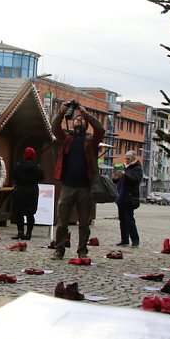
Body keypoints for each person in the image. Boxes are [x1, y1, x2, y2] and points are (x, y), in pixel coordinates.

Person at [51, 101, 105, 260]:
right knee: (62, 222)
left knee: (83, 223)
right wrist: (61, 112)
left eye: (81, 119)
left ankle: (82, 250)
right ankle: (59, 250)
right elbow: (55, 128)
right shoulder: (66, 139)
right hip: (67, 186)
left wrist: (86, 112)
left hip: (85, 187)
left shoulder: (90, 141)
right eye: (76, 119)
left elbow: (100, 130)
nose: (78, 120)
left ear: (86, 124)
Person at [11, 147, 45, 240]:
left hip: (20, 190)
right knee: (30, 214)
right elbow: (41, 177)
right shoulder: (37, 166)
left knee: (19, 213)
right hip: (32, 191)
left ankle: (20, 232)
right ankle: (29, 233)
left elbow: (13, 175)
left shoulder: (19, 165)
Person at [113, 150, 143, 247]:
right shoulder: (124, 167)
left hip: (130, 197)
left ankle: (135, 240)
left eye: (128, 158)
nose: (127, 160)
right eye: (126, 158)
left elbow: (136, 180)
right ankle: (124, 239)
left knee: (129, 219)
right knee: (122, 219)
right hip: (121, 196)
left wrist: (125, 175)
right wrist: (116, 177)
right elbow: (117, 181)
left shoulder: (137, 168)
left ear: (133, 158)